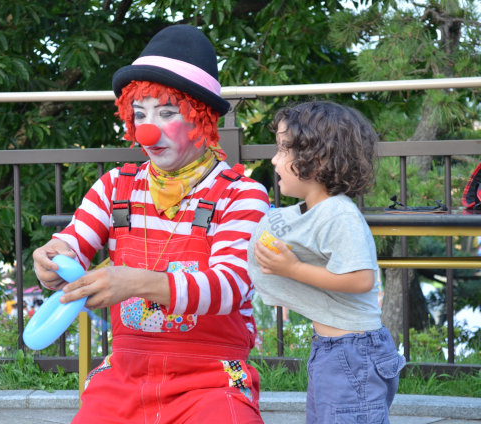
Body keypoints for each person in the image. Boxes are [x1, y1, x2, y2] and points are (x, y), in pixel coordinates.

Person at [32, 24, 270, 423]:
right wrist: (53, 258)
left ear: (201, 117)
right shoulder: (115, 186)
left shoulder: (242, 194)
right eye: (139, 114)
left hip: (210, 381)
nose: (147, 129)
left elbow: (229, 286)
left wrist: (134, 282)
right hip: (124, 377)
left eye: (166, 112)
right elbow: (72, 242)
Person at [248, 100, 406, 423]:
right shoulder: (318, 211)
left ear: (315, 160)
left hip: (353, 354)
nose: (274, 160)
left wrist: (292, 269)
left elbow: (361, 278)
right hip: (334, 350)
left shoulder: (340, 213)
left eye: (283, 149)